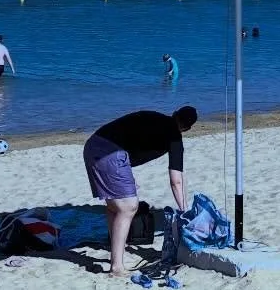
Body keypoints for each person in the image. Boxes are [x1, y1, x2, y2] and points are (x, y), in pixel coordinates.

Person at [82, 106, 197, 277]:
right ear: (187, 128)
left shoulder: (153, 116)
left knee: (115, 205)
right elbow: (176, 181)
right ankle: (117, 267)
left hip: (92, 145)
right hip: (111, 154)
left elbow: (179, 177)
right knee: (128, 206)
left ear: (174, 114)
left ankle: (116, 251)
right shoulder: (174, 137)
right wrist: (184, 210)